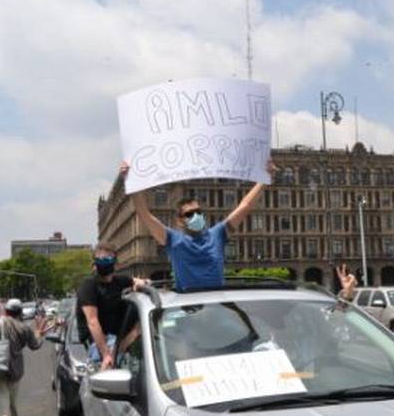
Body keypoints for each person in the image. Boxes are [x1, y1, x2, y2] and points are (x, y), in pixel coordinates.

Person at [121, 159, 277, 291]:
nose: (195, 216)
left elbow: (245, 206)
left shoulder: (218, 233)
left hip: (216, 303)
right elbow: (144, 214)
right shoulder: (173, 240)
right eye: (189, 214)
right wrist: (130, 180)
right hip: (188, 305)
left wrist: (265, 178)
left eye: (198, 212)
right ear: (179, 220)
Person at [77, 243, 147, 371]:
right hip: (99, 344)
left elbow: (137, 281)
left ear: (115, 262)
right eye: (99, 259)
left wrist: (141, 283)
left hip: (118, 337)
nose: (103, 262)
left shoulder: (119, 281)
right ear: (94, 263)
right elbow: (92, 321)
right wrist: (106, 355)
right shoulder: (88, 286)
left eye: (107, 259)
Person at [0, 298, 48, 416]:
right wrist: (39, 332)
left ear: (6, 311)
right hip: (15, 368)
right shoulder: (24, 328)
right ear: (20, 312)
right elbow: (35, 345)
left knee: (3, 397)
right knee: (12, 397)